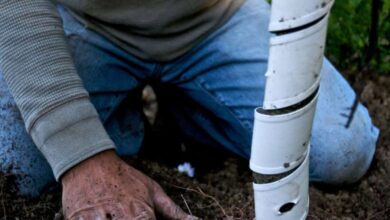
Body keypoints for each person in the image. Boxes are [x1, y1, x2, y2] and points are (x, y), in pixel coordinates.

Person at [0, 0, 379, 219]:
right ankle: (125, 122)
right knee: (16, 170)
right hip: (85, 21)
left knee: (340, 149)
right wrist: (82, 157)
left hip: (214, 16)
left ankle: (191, 112)